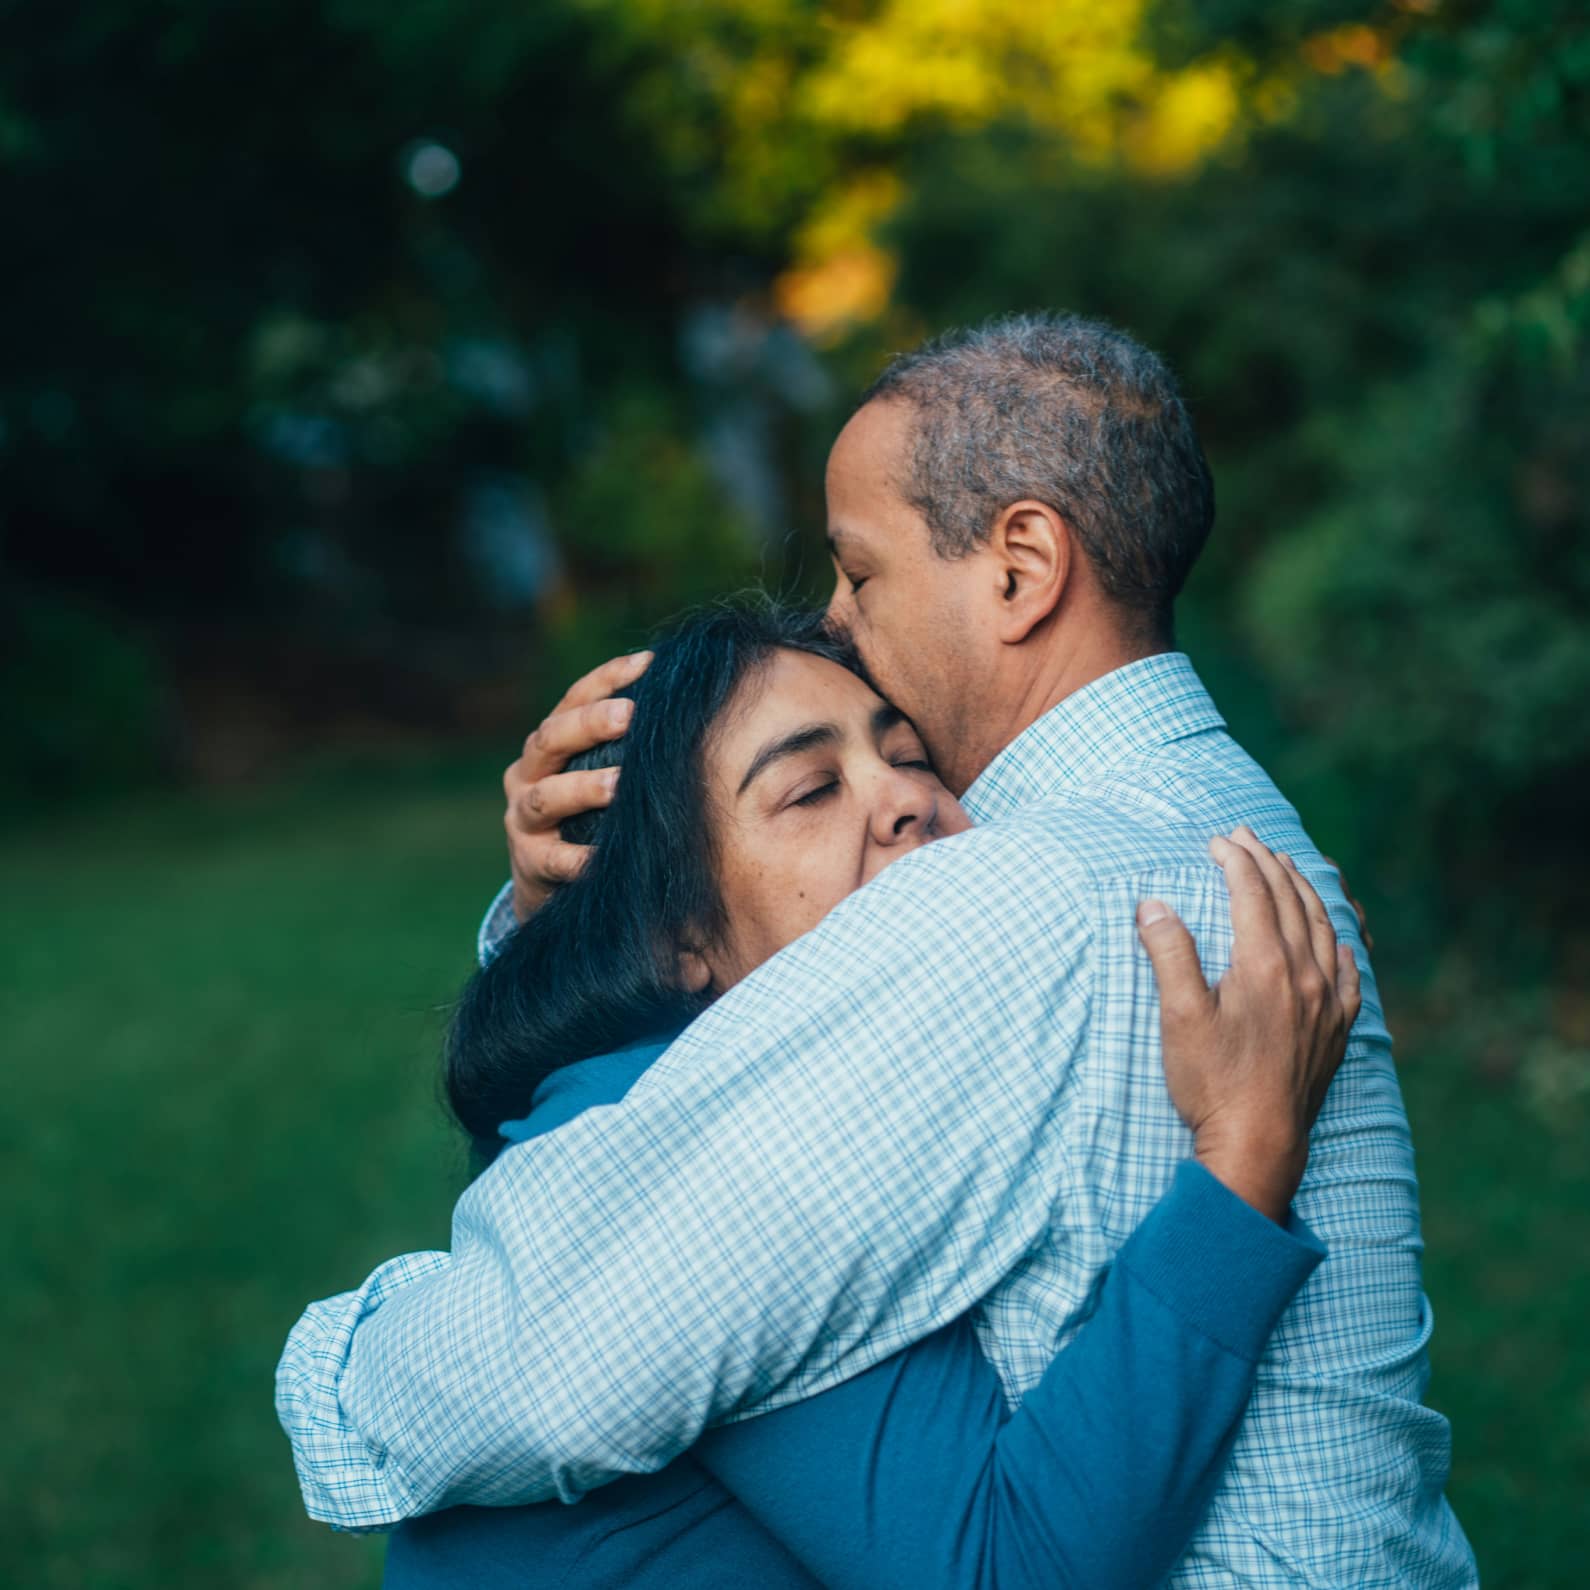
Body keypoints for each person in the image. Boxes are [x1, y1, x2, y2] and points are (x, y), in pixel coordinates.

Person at [279, 314, 1477, 1585]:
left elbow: (550, 1359)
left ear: (1021, 566)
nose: (842, 623)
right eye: (810, 787)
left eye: (861, 572)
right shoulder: (1228, 825)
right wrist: (574, 910)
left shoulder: (1020, 894)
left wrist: (340, 1367)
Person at [379, 601, 1341, 1587]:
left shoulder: (684, 1077)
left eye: (912, 755)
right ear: (678, 940)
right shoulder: (723, 1163)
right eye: (809, 791)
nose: (905, 800)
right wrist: (1244, 1157)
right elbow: (1008, 1567)